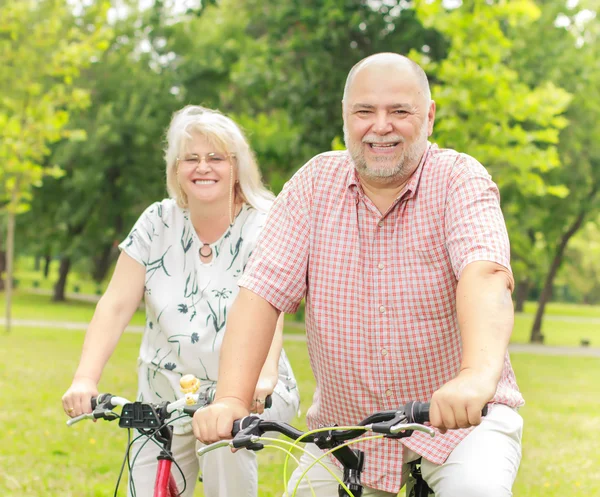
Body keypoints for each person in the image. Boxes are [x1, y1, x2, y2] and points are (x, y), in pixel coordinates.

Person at [193, 53, 524, 497]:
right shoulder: (312, 185)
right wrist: (232, 397)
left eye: (399, 111)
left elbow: (485, 274)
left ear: (428, 117)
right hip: (347, 435)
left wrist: (476, 377)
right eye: (365, 111)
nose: (380, 126)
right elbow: (260, 295)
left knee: (476, 490)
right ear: (346, 117)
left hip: (462, 424)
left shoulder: (460, 179)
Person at [61, 105, 300, 497]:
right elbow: (116, 304)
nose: (202, 167)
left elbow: (268, 308)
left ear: (237, 166)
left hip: (244, 385)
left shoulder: (264, 223)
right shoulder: (157, 222)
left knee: (223, 443)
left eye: (215, 158)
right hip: (163, 389)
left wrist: (264, 376)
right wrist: (85, 379)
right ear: (176, 170)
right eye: (191, 158)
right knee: (145, 481)